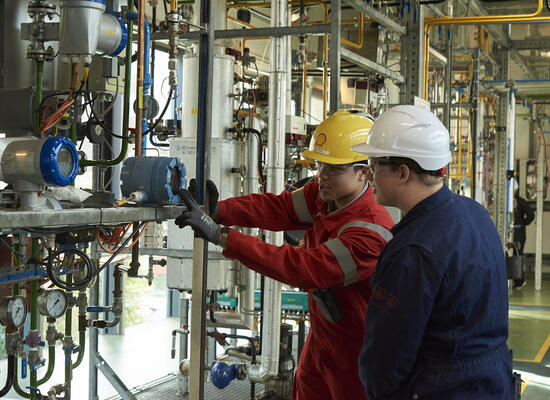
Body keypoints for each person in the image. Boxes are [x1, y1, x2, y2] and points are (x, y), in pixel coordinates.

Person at [175, 111, 394, 400]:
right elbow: (278, 209)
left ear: (363, 171)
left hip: (357, 352)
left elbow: (301, 268)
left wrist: (220, 235)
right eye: (318, 164)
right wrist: (219, 211)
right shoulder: (323, 196)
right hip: (322, 339)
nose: (321, 175)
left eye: (333, 168)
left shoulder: (370, 233)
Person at [353, 105, 514, 399]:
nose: (369, 174)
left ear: (403, 172)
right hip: (492, 383)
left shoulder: (412, 250)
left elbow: (387, 357)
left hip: (444, 389)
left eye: (374, 164)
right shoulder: (474, 213)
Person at [512, 185, 535, 289]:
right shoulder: (509, 202)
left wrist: (522, 223)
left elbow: (531, 215)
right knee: (512, 255)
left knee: (517, 255)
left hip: (518, 233)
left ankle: (519, 282)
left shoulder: (520, 202)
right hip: (513, 231)